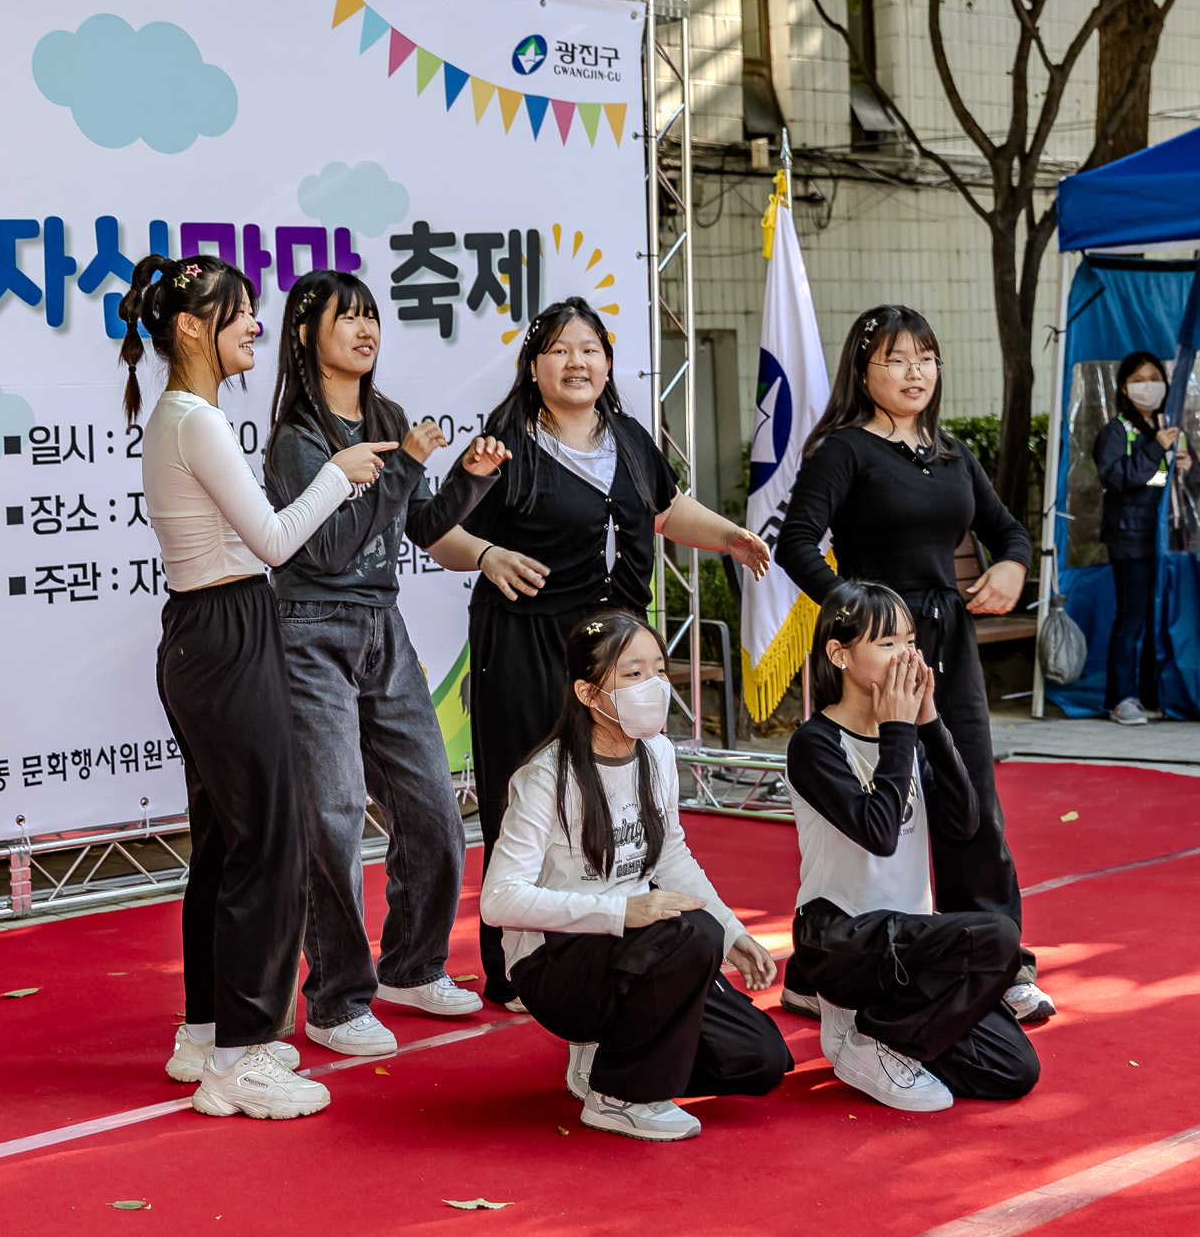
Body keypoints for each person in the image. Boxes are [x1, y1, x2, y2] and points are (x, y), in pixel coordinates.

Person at [423, 298, 772, 1010]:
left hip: (615, 647)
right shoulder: (506, 439)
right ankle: (518, 964)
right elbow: (438, 533)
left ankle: (610, 931)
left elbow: (668, 511)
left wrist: (730, 534)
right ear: (533, 366)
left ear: (608, 362)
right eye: (559, 349)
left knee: (618, 789)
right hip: (525, 642)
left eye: (590, 348)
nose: (577, 361)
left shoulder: (632, 438)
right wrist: (487, 554)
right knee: (525, 793)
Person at [118, 252, 398, 1121]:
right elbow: (277, 541)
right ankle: (236, 1056)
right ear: (193, 327)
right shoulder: (193, 419)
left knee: (229, 843)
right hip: (227, 633)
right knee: (269, 841)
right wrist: (338, 473)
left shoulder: (179, 416)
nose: (253, 327)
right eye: (239, 312)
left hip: (211, 632)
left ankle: (209, 1032)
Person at [772, 304, 1051, 1026]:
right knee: (861, 812)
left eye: (925, 357)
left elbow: (1009, 531)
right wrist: (859, 614)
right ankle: (817, 965)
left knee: (969, 797)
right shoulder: (842, 450)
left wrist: (1014, 567)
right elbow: (797, 542)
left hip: (946, 645)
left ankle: (1001, 960)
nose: (914, 372)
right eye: (896, 359)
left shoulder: (952, 453)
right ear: (863, 372)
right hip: (869, 655)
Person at [264, 270, 510, 1057]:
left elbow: (422, 526)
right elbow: (329, 548)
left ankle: (412, 963)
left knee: (435, 805)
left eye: (373, 318)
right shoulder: (299, 437)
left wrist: (469, 478)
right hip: (309, 629)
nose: (367, 331)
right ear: (307, 334)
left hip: (382, 626)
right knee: (332, 816)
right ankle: (335, 999)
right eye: (350, 318)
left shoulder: (388, 416)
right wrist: (402, 463)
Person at [480, 608, 790, 1141]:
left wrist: (735, 934)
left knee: (759, 1059)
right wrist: (623, 911)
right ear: (587, 693)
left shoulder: (659, 754)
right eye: (633, 674)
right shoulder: (545, 777)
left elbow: (672, 859)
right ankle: (619, 1094)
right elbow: (498, 901)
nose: (654, 685)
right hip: (557, 963)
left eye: (659, 669)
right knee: (692, 935)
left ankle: (609, 1054)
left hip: (637, 952)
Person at [784, 582, 1040, 1112]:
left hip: (909, 940)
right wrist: (899, 728)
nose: (906, 656)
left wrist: (927, 721)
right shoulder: (815, 743)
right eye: (887, 644)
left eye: (909, 641)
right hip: (841, 939)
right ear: (840, 654)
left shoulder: (908, 732)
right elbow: (877, 833)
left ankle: (878, 1028)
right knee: (998, 937)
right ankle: (872, 1041)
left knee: (1013, 1068)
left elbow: (965, 824)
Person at [1093, 351, 1187, 726]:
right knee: (1130, 620)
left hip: (1159, 540)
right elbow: (1115, 478)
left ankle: (1147, 696)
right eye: (1140, 379)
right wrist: (1157, 449)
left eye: (1155, 378)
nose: (1149, 386)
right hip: (1129, 538)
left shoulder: (1162, 430)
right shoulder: (1117, 431)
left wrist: (1186, 469)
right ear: (1124, 388)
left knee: (1152, 619)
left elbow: (1164, 485)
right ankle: (1119, 699)